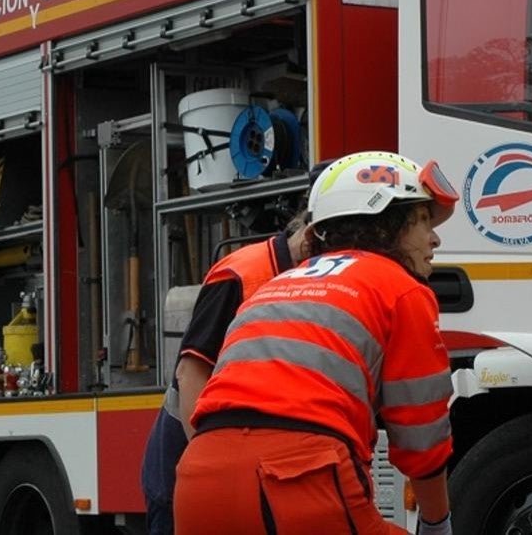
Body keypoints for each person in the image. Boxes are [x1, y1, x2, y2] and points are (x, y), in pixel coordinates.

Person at [173, 151, 459, 535]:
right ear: (388, 222)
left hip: (198, 481)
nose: (435, 237)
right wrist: (438, 523)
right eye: (424, 219)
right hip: (297, 477)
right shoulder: (401, 289)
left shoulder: (277, 284)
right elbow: (422, 440)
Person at [140, 210, 308, 535]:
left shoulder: (305, 278)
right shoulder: (244, 273)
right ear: (311, 235)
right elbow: (191, 375)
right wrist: (207, 476)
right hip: (185, 471)